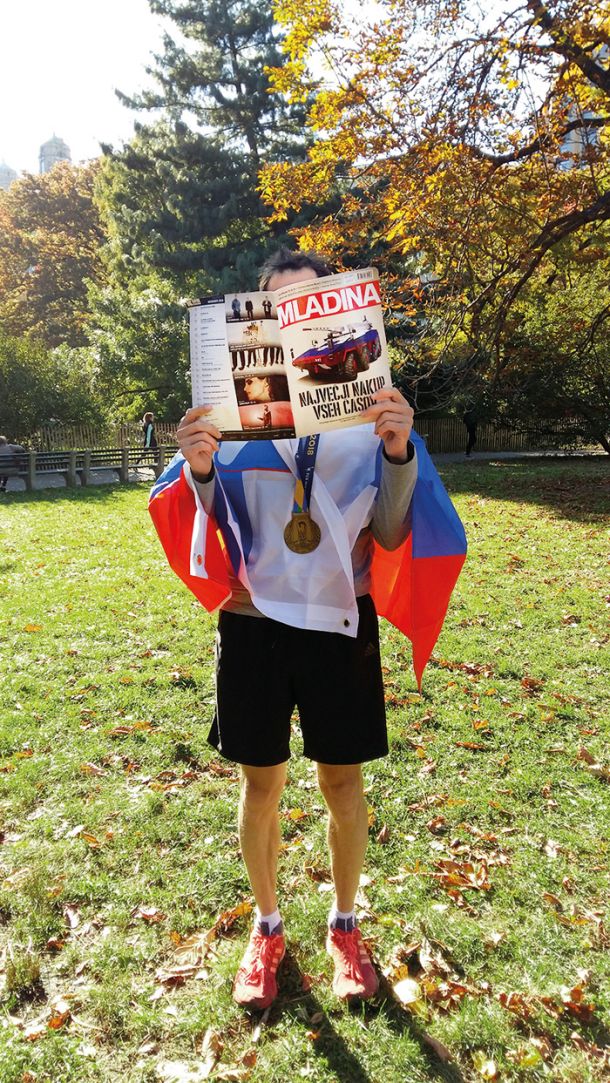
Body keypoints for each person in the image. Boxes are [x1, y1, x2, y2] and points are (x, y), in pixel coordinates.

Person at [149, 247, 466, 1011]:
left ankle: (345, 923)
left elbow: (392, 535)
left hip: (339, 621)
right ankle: (267, 926)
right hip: (253, 624)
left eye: (310, 305)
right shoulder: (231, 418)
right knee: (262, 785)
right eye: (277, 309)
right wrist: (196, 468)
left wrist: (397, 451)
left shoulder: (367, 418)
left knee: (342, 782)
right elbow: (209, 533)